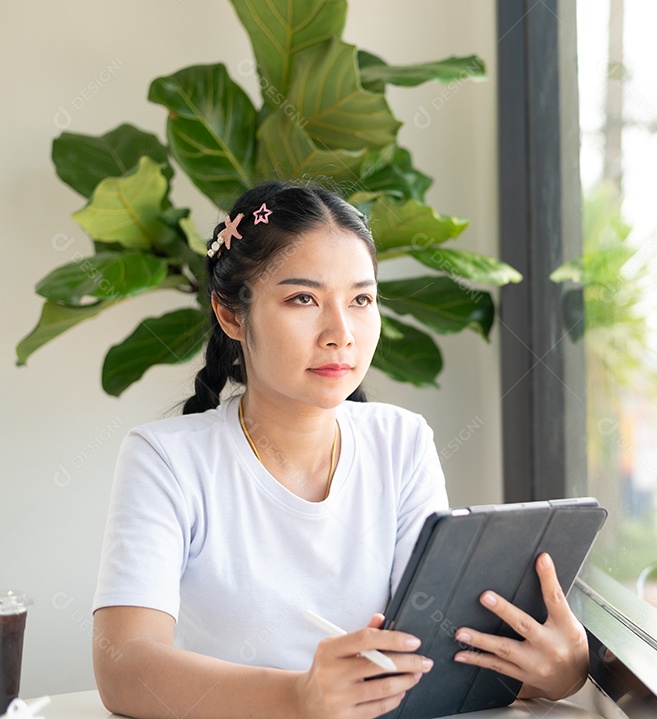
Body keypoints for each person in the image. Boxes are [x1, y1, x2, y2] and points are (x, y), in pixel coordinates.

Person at [91, 181, 589, 719]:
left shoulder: (401, 442)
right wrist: (300, 696)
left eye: (361, 300)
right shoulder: (166, 459)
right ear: (231, 315)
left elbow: (434, 658)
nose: (341, 332)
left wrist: (557, 671)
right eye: (303, 298)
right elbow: (125, 668)